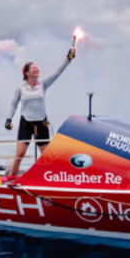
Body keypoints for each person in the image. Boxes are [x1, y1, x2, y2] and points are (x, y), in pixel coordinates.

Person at [5, 48, 76, 176]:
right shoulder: (20, 88)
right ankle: (10, 180)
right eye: (34, 68)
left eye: (37, 68)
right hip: (26, 123)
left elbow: (57, 73)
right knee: (20, 154)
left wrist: (68, 59)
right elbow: (14, 104)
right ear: (27, 73)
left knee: (46, 156)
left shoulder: (43, 85)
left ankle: (49, 179)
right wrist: (9, 119)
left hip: (41, 123)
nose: (37, 70)